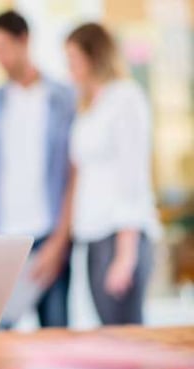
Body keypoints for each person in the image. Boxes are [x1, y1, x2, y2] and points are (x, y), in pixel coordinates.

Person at [0, 10, 76, 327]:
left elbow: (73, 175)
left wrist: (59, 242)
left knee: (57, 338)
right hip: (3, 241)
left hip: (48, 238)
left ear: (24, 40)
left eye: (3, 48)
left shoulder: (64, 99)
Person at [66, 22, 160, 325]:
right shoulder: (90, 105)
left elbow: (132, 176)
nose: (71, 70)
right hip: (94, 236)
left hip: (119, 236)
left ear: (94, 57)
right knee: (108, 333)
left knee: (125, 337)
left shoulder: (125, 98)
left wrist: (125, 255)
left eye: (74, 61)